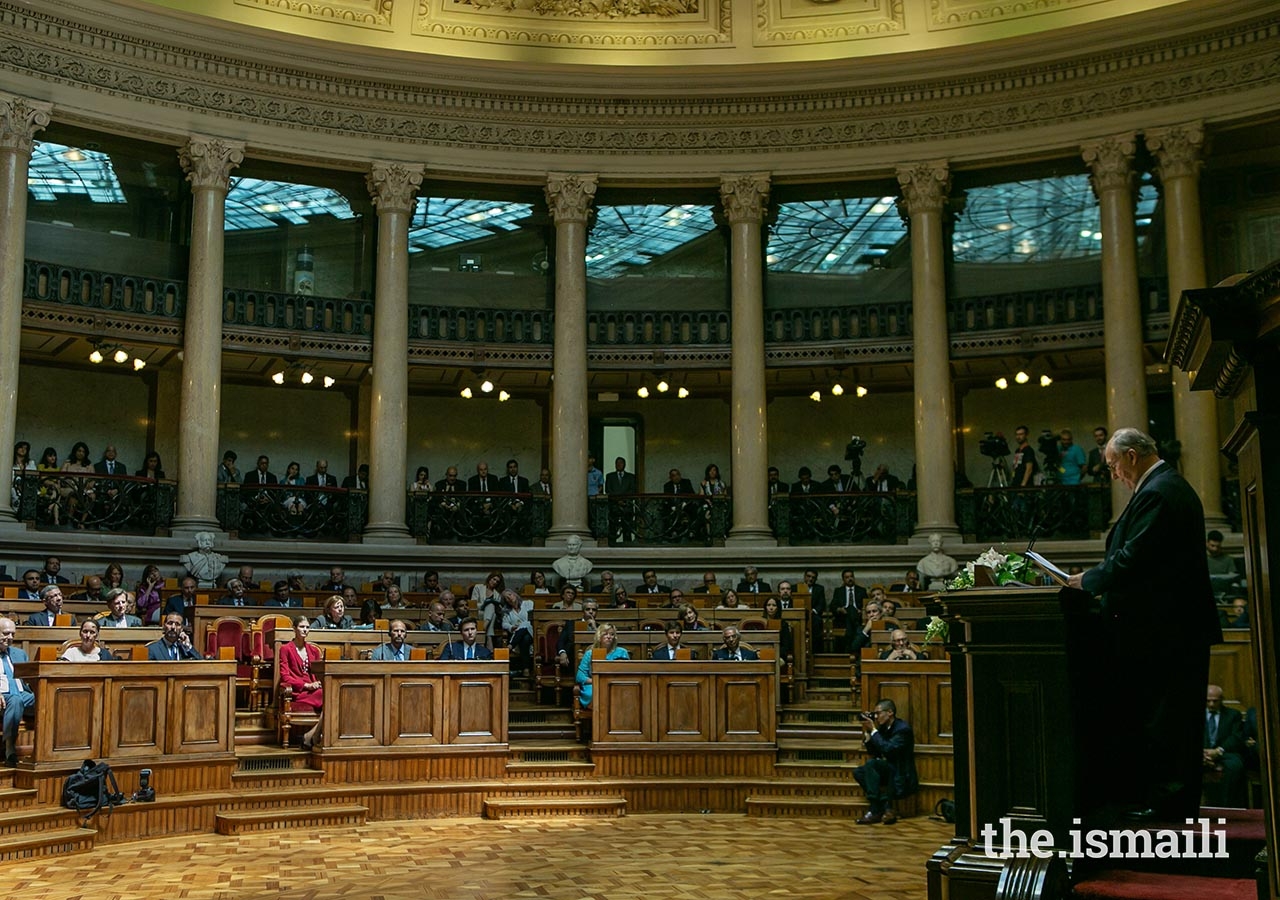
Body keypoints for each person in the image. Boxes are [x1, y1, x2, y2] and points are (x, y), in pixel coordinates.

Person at [1068, 427, 1221, 821]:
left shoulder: (1160, 492)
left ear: (1132, 456)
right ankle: (1162, 801)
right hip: (1165, 628)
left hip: (1166, 631)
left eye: (1114, 465)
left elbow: (1135, 556)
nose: (1114, 474)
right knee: (1162, 717)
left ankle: (1167, 806)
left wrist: (1088, 580)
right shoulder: (1163, 487)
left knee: (1166, 720)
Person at [854, 699, 919, 824]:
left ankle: (874, 809)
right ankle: (885, 805)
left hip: (901, 773)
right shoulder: (883, 728)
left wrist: (874, 730)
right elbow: (875, 752)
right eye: (875, 714)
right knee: (858, 772)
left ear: (890, 712)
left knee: (872, 764)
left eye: (878, 713)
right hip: (888, 770)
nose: (876, 717)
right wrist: (868, 733)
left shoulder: (903, 729)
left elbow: (888, 749)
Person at [278, 616, 323, 749]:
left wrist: (317, 683)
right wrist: (306, 685)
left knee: (332, 699)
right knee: (331, 699)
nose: (305, 630)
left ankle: (310, 736)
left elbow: (318, 672)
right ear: (294, 629)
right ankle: (312, 737)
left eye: (307, 627)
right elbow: (285, 676)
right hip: (299, 691)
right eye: (302, 627)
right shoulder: (286, 649)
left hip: (314, 689)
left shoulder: (313, 650)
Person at [1202, 684, 1246, 808]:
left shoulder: (1233, 715)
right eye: (1208, 701)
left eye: (1215, 701)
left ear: (1221, 699)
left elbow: (1236, 737)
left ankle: (1228, 806)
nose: (1211, 704)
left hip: (1224, 752)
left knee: (1236, 765)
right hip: (1203, 752)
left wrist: (1218, 751)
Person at [0, 617, 35, 766]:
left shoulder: (19, 654)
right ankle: (9, 749)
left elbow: (29, 678)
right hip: (4, 696)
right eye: (6, 634)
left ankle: (46, 747)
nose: (10, 638)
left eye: (13, 634)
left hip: (23, 695)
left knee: (47, 698)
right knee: (15, 699)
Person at [576, 622, 629, 707]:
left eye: (612, 634)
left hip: (616, 685)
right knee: (594, 694)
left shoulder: (622, 652)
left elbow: (628, 674)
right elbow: (579, 676)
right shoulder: (590, 653)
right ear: (599, 637)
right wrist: (597, 681)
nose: (609, 637)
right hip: (594, 684)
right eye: (605, 634)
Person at [499, 589, 535, 676]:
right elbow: (504, 624)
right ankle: (526, 668)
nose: (509, 598)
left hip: (532, 632)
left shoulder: (528, 604)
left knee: (525, 624)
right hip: (521, 638)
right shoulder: (507, 612)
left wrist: (521, 626)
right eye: (506, 598)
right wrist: (511, 627)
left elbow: (531, 619)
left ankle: (510, 645)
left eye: (510, 595)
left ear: (514, 594)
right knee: (525, 639)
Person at [556, 601, 599, 670]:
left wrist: (594, 628)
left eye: (594, 610)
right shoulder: (571, 624)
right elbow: (560, 641)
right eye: (587, 609)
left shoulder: (600, 627)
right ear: (583, 611)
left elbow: (601, 644)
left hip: (592, 660)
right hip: (571, 659)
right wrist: (562, 653)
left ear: (597, 612)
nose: (591, 612)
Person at [472, 571, 505, 646]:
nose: (495, 582)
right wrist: (484, 603)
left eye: (497, 581)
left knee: (491, 606)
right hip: (478, 612)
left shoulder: (497, 594)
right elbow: (473, 604)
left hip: (490, 615)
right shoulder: (478, 587)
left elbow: (499, 608)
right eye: (494, 579)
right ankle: (489, 636)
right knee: (491, 608)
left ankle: (484, 628)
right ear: (490, 578)